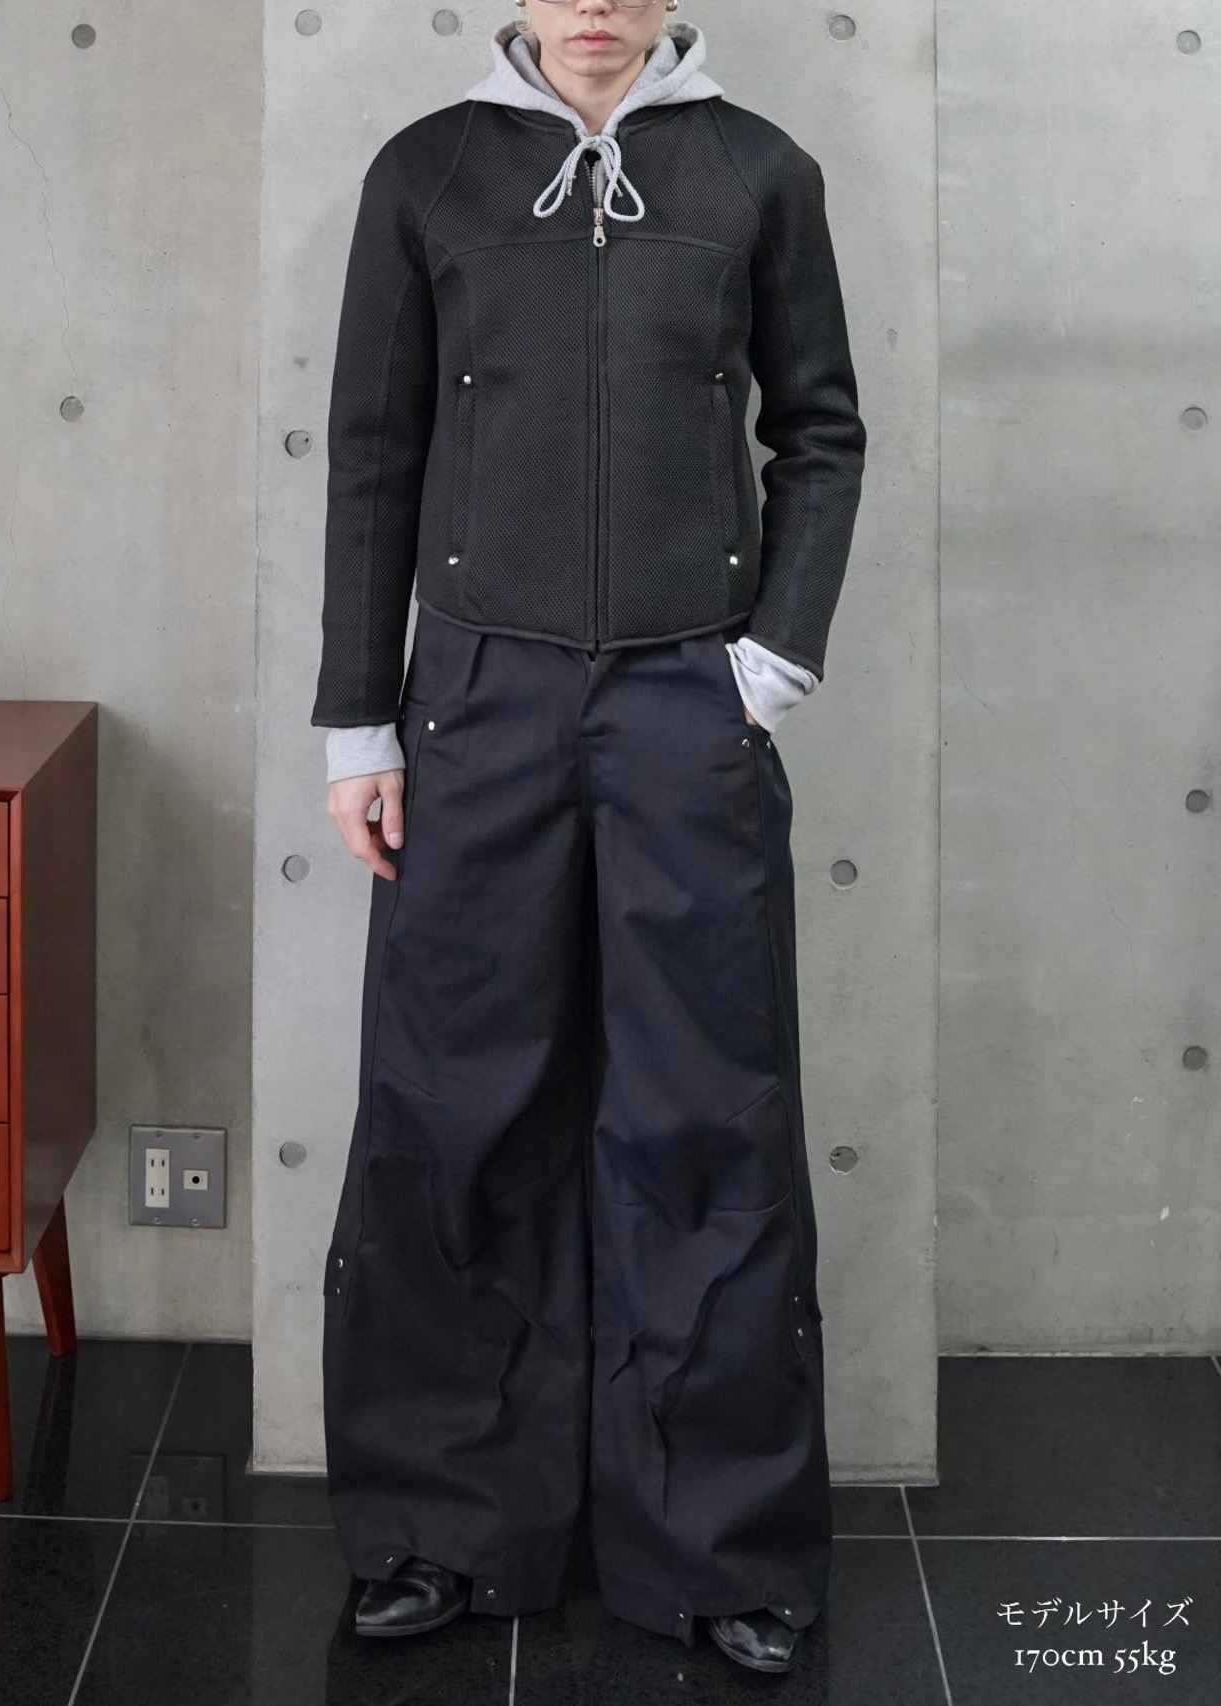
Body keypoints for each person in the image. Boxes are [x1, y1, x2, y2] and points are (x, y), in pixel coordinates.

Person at [312, 0, 866, 1678]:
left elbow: (821, 430)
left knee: (707, 1113)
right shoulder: (428, 174)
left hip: (688, 703)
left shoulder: (760, 172)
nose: (595, 6)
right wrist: (360, 721)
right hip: (475, 700)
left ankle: (721, 1551)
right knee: (452, 1102)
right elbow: (375, 454)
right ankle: (441, 1528)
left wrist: (768, 661)